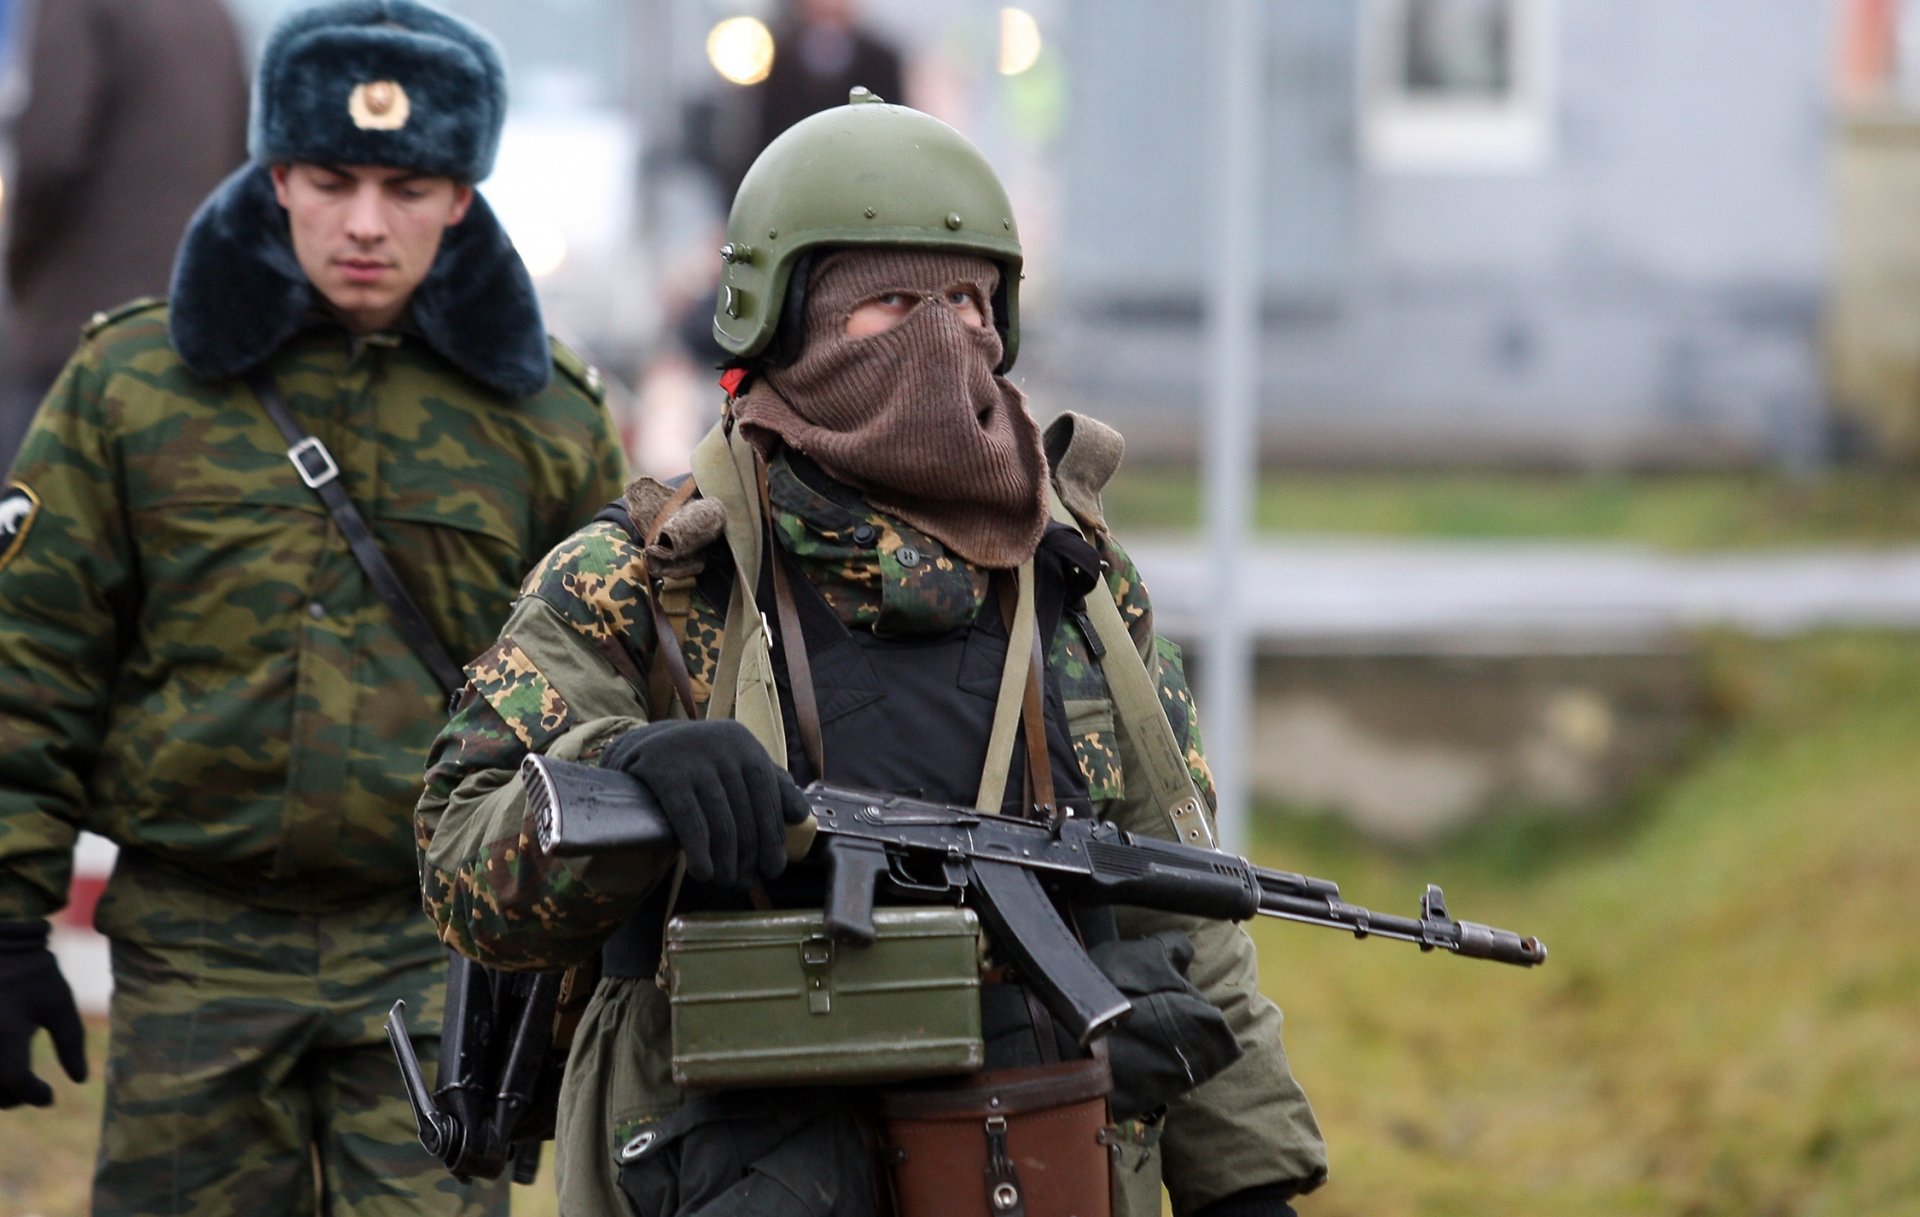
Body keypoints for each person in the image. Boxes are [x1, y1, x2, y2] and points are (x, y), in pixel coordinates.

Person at [417, 92, 1327, 1217]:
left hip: (1033, 1154)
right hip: (730, 1163)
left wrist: (1249, 1180)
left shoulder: (1074, 578)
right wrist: (630, 764)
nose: (945, 339)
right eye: (890, 303)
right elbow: (464, 868)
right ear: (781, 322)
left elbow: (1177, 902)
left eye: (968, 302)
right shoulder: (645, 575)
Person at [0, 2, 627, 1214]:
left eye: (407, 186)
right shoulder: (133, 389)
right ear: (275, 172)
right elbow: (33, 664)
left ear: (461, 194)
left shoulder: (547, 423)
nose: (363, 223)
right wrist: (6, 922)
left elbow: (605, 698)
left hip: (436, 951)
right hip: (196, 949)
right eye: (331, 179)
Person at [1, 0, 250, 470]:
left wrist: (20, 265)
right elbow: (239, 166)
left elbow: (47, 155)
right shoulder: (213, 14)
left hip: (77, 333)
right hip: (185, 334)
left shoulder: (78, 7)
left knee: (31, 528)